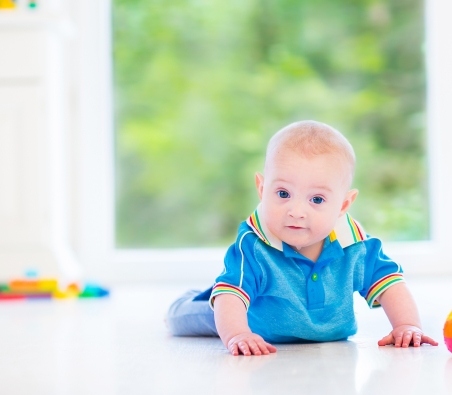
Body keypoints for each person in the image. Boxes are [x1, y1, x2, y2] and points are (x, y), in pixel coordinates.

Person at [166, 120, 438, 356]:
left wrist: (407, 326)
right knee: (199, 313)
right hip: (248, 319)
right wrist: (237, 334)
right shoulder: (253, 245)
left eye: (317, 199)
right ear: (262, 188)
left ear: (343, 205)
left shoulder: (355, 245)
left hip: (325, 331)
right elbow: (231, 297)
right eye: (283, 194)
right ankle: (187, 302)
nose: (296, 212)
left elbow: (390, 283)